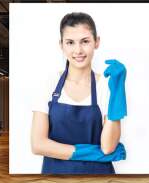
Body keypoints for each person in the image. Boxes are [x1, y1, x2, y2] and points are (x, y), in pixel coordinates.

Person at [31, 12, 128, 174]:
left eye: (85, 41)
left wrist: (117, 92)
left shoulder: (105, 86)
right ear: (61, 45)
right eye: (70, 42)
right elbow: (38, 144)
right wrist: (92, 153)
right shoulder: (49, 84)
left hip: (99, 179)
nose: (78, 50)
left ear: (96, 42)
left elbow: (108, 146)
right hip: (55, 179)